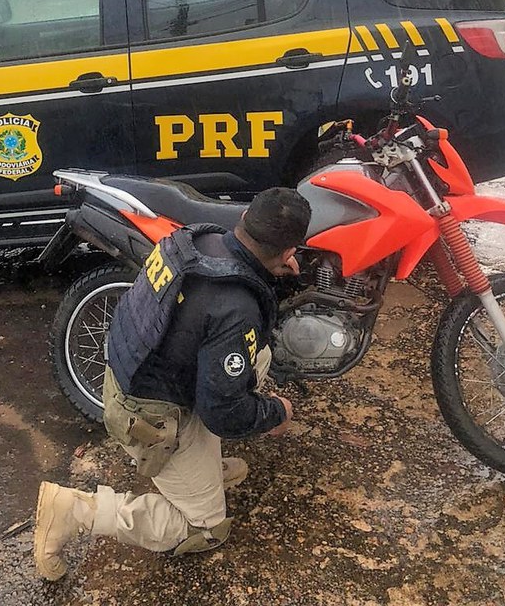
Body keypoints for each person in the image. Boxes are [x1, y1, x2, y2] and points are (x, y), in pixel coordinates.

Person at [34, 187, 312, 580]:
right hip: (148, 416)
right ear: (288, 252)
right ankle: (73, 510)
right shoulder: (236, 306)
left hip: (134, 371)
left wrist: (272, 272)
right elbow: (224, 413)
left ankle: (201, 468)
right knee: (206, 529)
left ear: (246, 217)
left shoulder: (201, 238)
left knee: (256, 355)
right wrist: (274, 413)